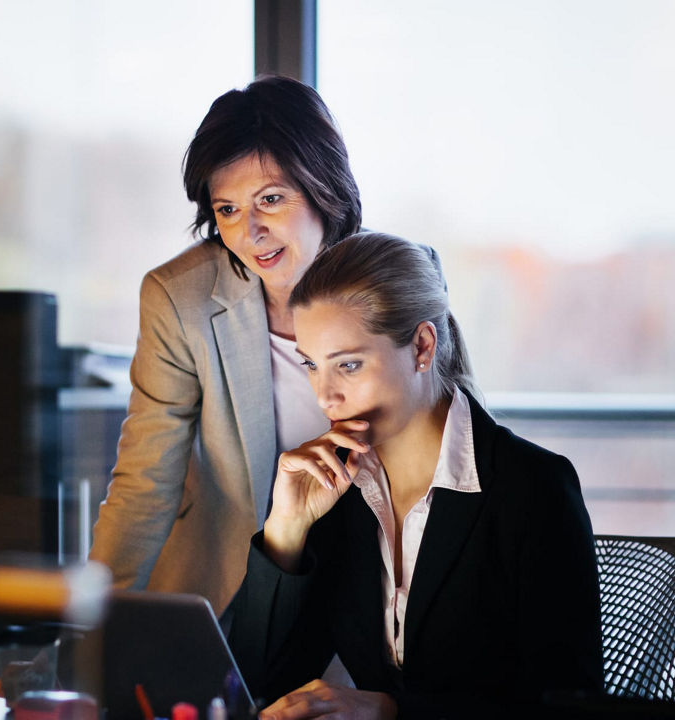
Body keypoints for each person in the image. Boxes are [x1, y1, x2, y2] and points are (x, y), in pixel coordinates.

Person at [226, 232, 602, 719]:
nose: (325, 397)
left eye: (349, 365)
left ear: (422, 347)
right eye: (312, 366)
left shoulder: (530, 487)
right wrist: (286, 532)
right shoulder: (340, 490)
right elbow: (261, 681)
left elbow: (569, 705)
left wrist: (390, 711)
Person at [89, 75, 362, 616]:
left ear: (323, 187)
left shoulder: (401, 282)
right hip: (229, 596)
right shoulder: (180, 298)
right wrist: (82, 639)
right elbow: (144, 484)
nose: (250, 231)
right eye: (228, 209)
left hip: (366, 601)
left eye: (271, 199)